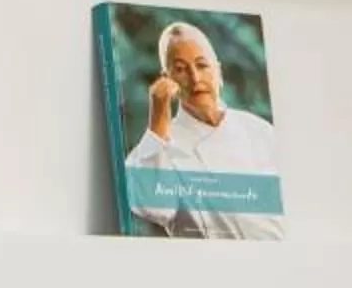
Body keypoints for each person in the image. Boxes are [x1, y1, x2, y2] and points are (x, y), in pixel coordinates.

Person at [122, 21, 285, 240]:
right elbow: (154, 207)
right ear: (166, 78)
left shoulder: (259, 130)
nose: (195, 78)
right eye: (180, 69)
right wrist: (158, 122)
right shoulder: (158, 148)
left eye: (202, 65)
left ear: (218, 70)